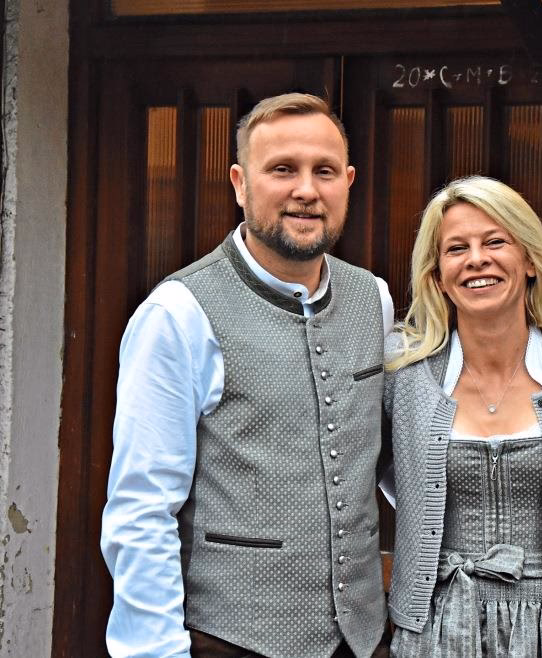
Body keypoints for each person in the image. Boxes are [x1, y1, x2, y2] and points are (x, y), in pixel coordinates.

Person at [100, 93, 394, 658]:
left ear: (348, 182)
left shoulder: (373, 299)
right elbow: (142, 510)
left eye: (324, 171)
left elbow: (383, 458)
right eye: (282, 169)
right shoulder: (178, 313)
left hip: (360, 641)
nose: (306, 190)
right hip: (228, 639)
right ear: (239, 183)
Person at [383, 176, 542, 657]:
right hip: (436, 632)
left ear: (529, 261)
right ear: (437, 275)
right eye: (456, 248)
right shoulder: (404, 375)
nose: (476, 259)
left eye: (495, 242)